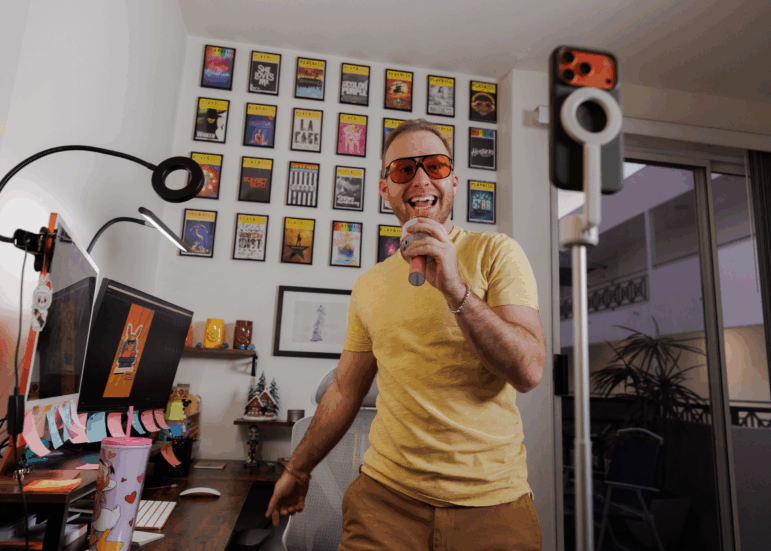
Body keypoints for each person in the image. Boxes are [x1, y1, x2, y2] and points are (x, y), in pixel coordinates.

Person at [266, 118, 546, 550]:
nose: (420, 179)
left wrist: (455, 289)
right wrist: (297, 469)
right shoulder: (370, 284)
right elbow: (344, 390)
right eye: (403, 170)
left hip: (492, 504)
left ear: (453, 182)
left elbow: (528, 371)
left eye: (435, 166)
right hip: (384, 504)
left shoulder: (497, 253)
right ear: (385, 189)